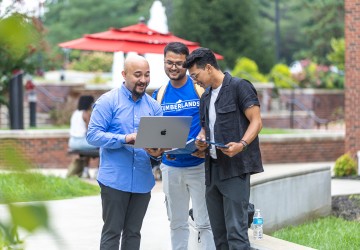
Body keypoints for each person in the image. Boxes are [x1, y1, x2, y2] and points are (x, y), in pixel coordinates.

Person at [183, 48, 264, 250]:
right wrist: (201, 140)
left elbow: (257, 121)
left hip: (235, 169)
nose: (195, 81)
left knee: (236, 234)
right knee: (219, 235)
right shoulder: (206, 97)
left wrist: (242, 144)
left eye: (196, 75)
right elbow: (205, 127)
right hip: (212, 171)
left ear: (208, 68)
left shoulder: (239, 87)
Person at [86, 55, 163, 250]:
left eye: (147, 75)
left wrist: (157, 152)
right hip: (114, 180)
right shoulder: (108, 101)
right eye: (137, 75)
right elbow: (93, 136)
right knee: (112, 232)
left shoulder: (154, 107)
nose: (143, 80)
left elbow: (159, 147)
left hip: (142, 180)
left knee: (134, 233)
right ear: (124, 74)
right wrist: (124, 139)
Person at [152, 42, 215, 250]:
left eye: (179, 63)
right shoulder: (159, 95)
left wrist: (205, 138)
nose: (173, 67)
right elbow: (156, 132)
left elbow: (212, 121)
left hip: (197, 165)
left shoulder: (199, 88)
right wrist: (155, 146)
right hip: (170, 166)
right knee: (176, 223)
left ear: (187, 64)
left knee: (205, 222)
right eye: (169, 62)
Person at [68, 95, 97, 178]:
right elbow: (91, 131)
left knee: (88, 148)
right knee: (103, 144)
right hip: (82, 142)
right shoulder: (86, 114)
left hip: (72, 142)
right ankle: (97, 171)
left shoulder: (75, 113)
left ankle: (85, 171)